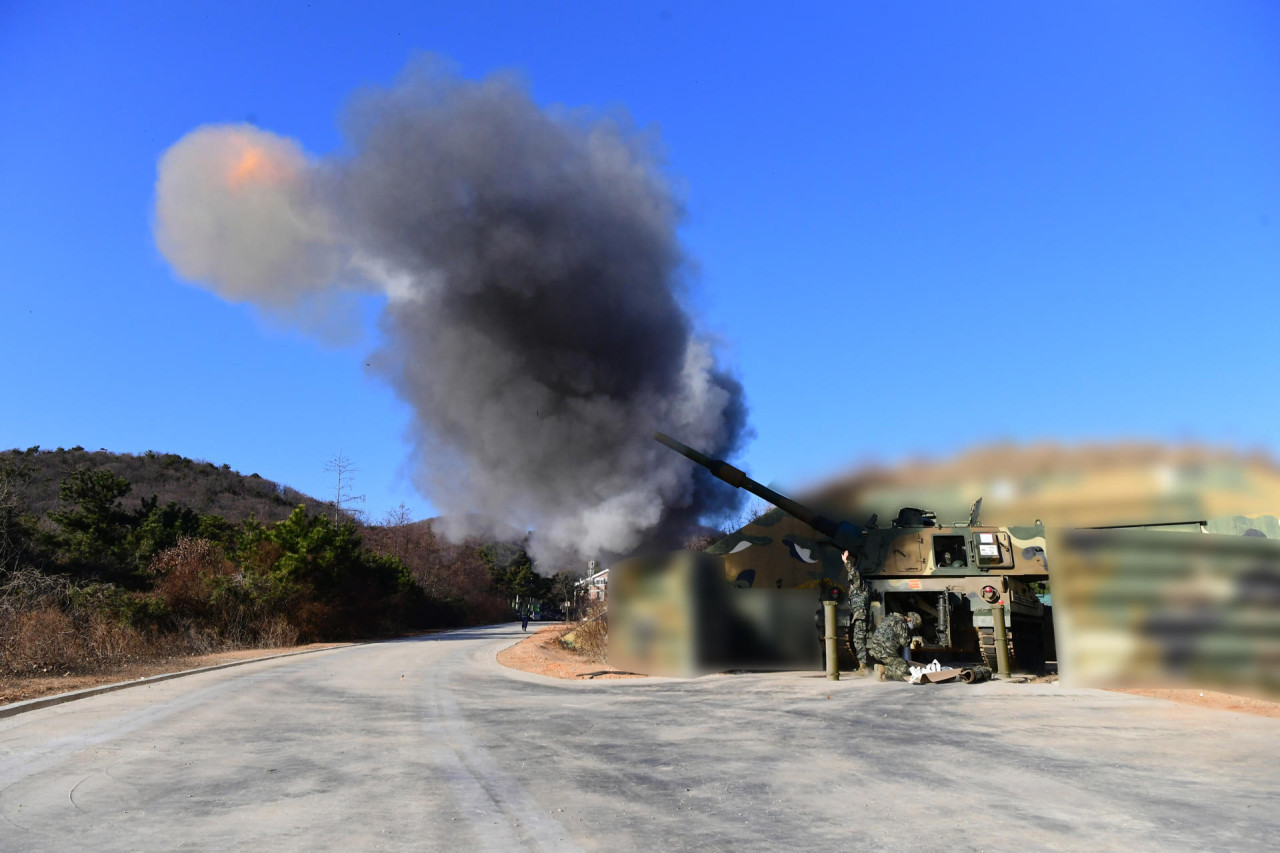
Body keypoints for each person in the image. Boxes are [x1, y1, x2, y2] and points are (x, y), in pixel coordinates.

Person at [868, 611, 923, 681]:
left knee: (897, 662)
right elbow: (905, 643)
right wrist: (910, 631)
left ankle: (880, 672)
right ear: (909, 620)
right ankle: (884, 670)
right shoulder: (901, 623)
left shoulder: (889, 617)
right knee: (905, 669)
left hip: (874, 651)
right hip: (885, 654)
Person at [842, 550, 871, 673]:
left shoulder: (860, 585)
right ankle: (862, 665)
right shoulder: (855, 589)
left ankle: (863, 666)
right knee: (857, 640)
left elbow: (854, 574)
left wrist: (846, 562)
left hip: (860, 616)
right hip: (858, 616)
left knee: (859, 640)